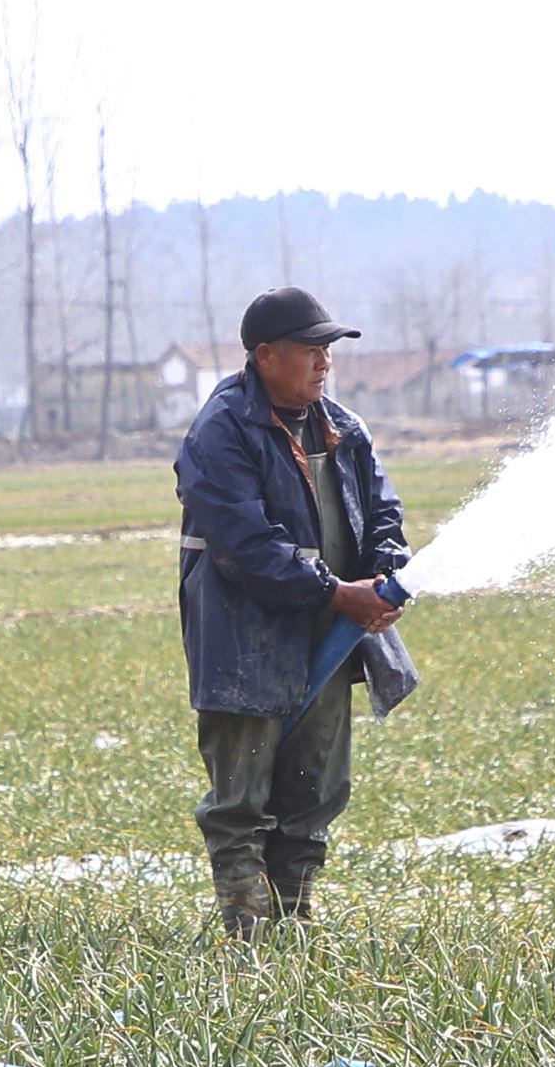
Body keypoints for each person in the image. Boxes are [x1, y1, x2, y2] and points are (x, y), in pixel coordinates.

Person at [174, 287, 417, 937]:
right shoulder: (219, 434)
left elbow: (383, 511)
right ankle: (250, 932)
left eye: (328, 350)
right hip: (244, 642)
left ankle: (295, 919)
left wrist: (387, 566)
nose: (324, 362)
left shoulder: (344, 428)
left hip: (330, 637)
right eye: (311, 349)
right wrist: (343, 593)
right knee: (242, 797)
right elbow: (248, 547)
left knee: (313, 789)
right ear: (265, 355)